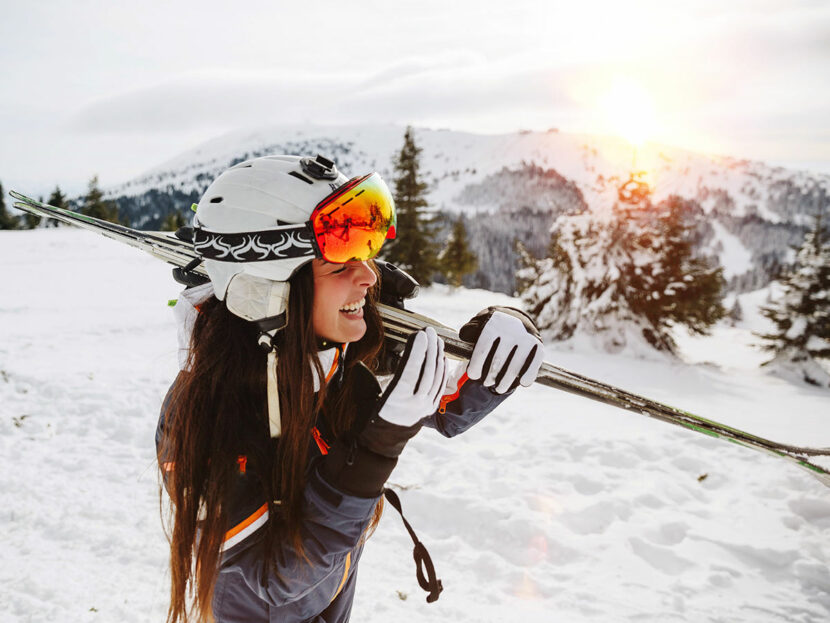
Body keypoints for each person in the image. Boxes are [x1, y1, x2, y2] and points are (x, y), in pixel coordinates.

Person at [156, 154, 544, 623]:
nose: (371, 276)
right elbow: (270, 587)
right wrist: (373, 453)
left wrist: (496, 351)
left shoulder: (327, 352)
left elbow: (443, 401)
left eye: (365, 255)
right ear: (268, 289)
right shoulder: (200, 420)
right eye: (340, 266)